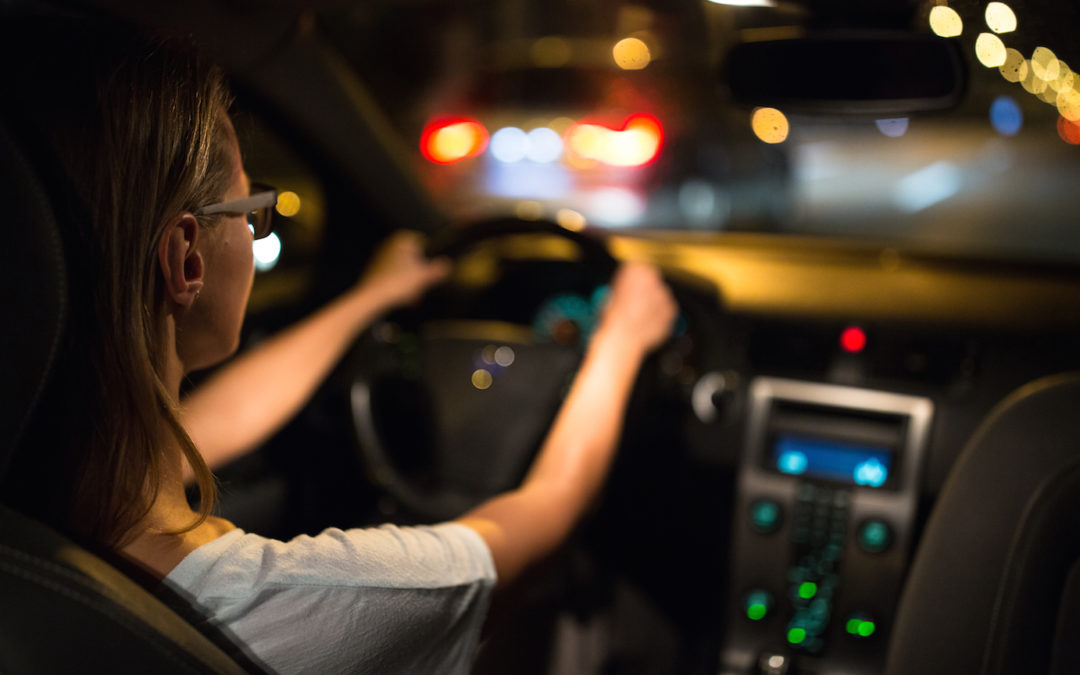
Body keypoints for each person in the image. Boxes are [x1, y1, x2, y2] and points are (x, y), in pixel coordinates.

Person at [2, 15, 677, 674]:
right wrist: (621, 341)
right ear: (186, 260)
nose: (256, 232)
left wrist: (370, 298)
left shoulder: (43, 504)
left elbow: (216, 422)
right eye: (251, 212)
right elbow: (547, 509)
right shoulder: (299, 605)